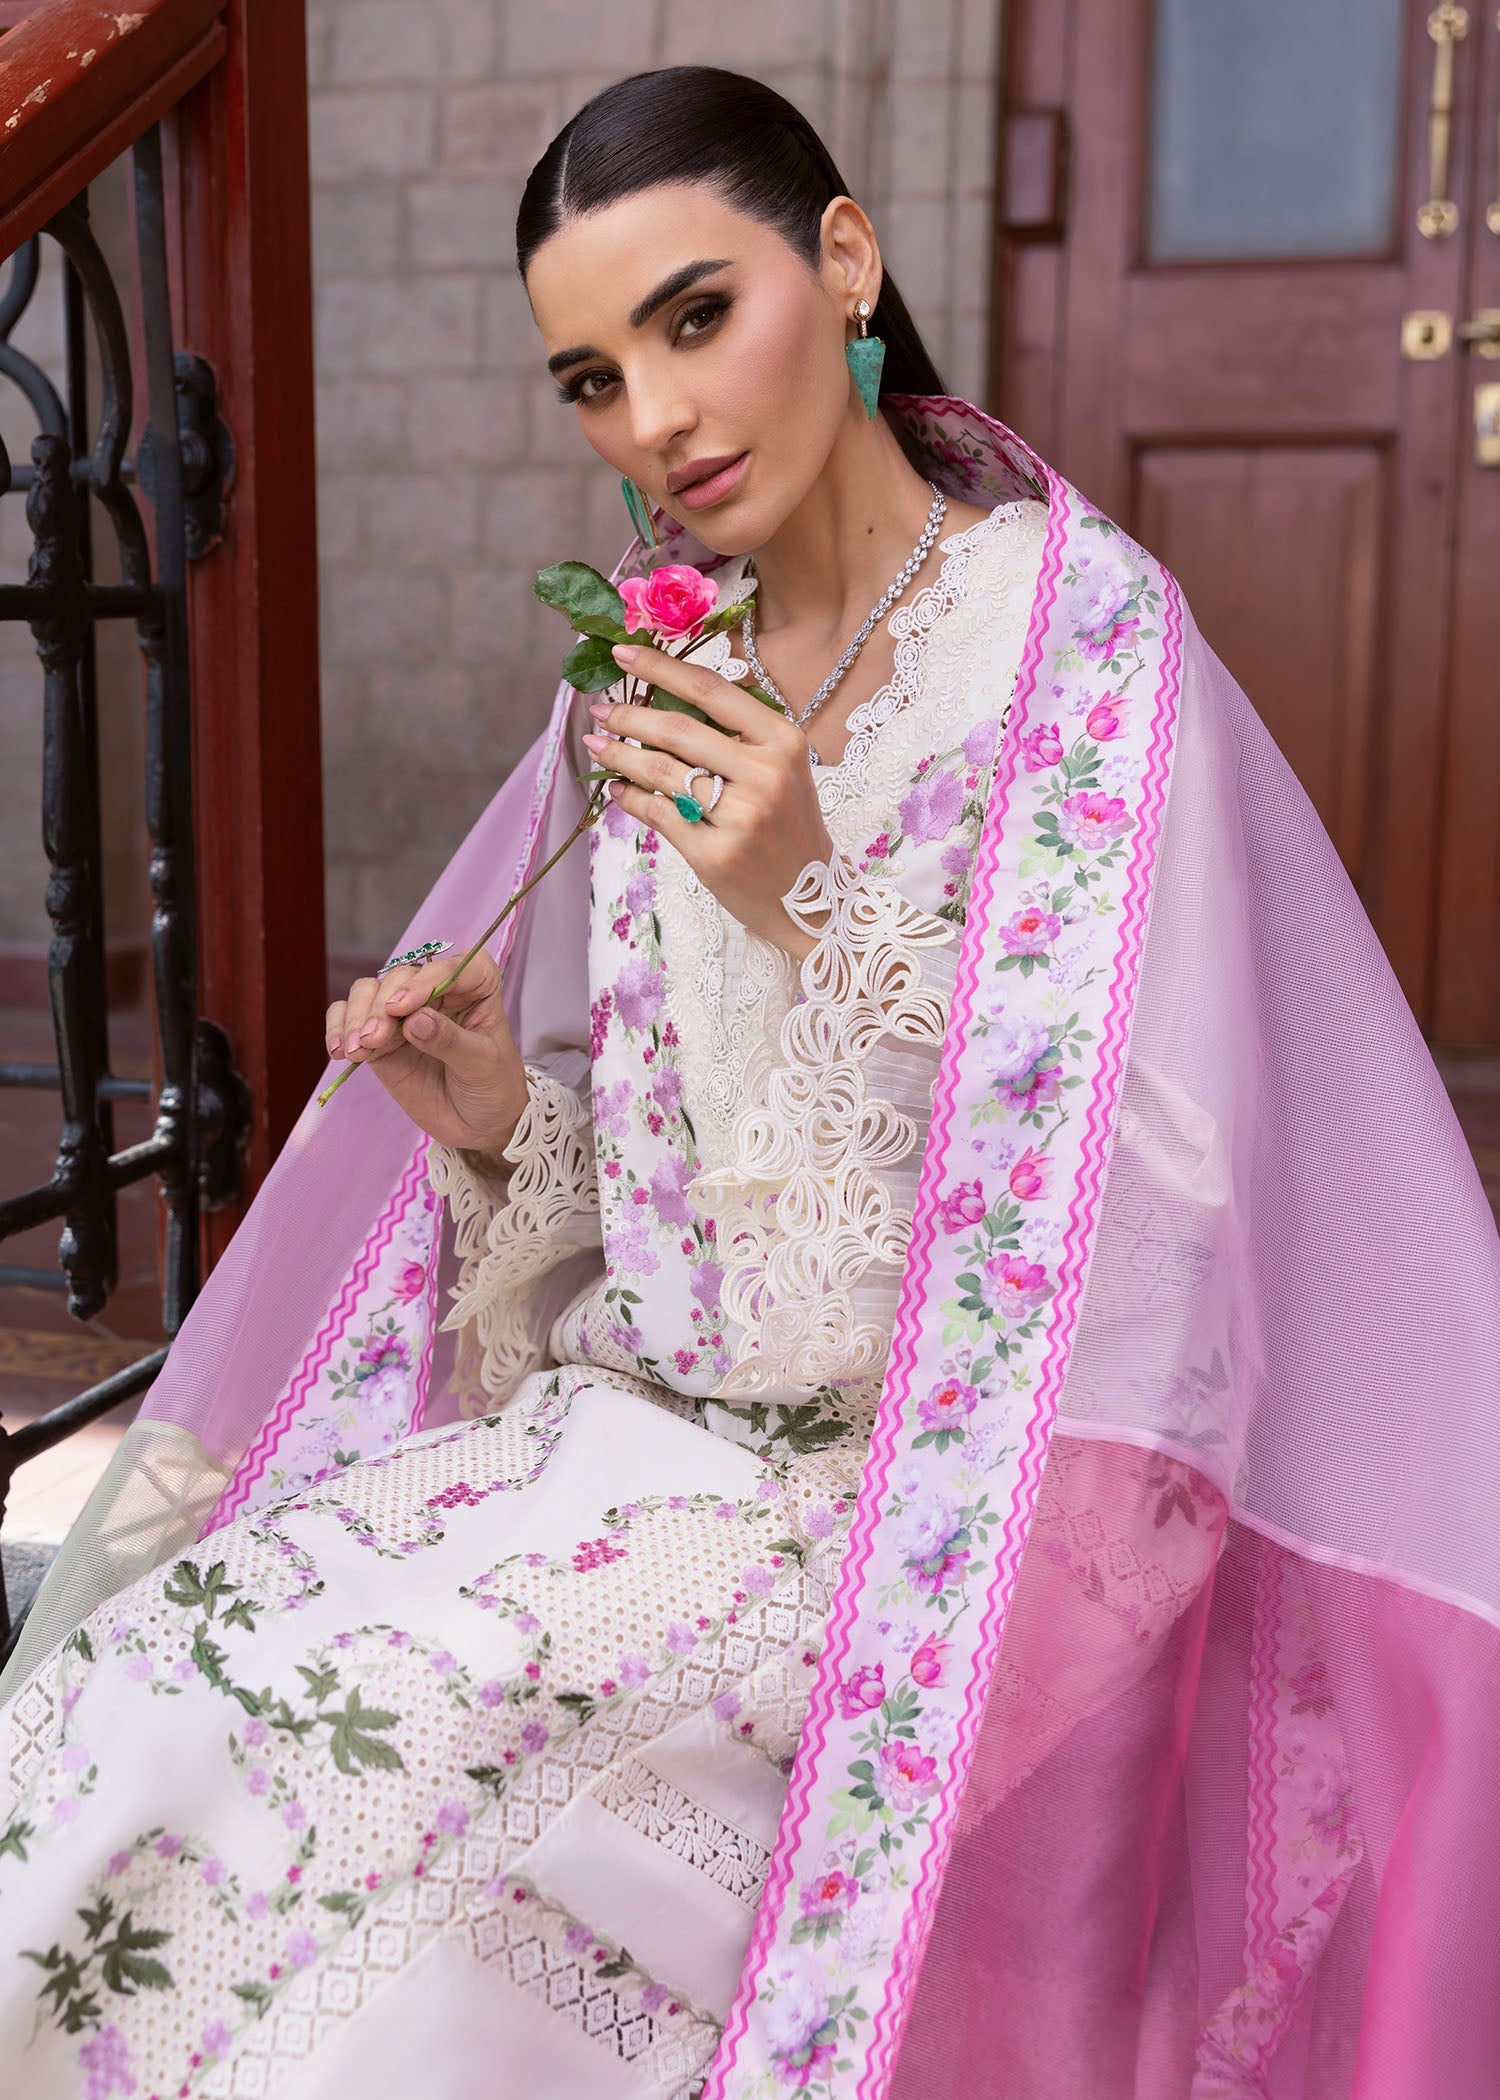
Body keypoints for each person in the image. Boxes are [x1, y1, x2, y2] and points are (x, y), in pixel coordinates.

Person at [2, 65, 1498, 2100]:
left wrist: (815, 904)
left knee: (383, 1773)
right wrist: (495, 1124)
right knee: (159, 1683)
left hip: (913, 1503)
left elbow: (1162, 1222)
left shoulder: (1074, 655)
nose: (659, 419)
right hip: (626, 1448)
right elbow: (662, 1215)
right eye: (594, 379)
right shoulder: (653, 674)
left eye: (697, 316)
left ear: (848, 262)